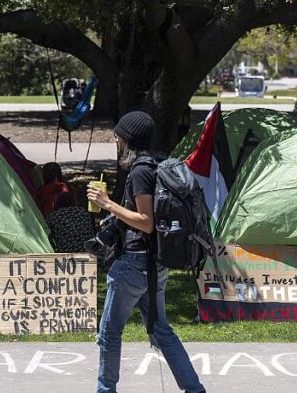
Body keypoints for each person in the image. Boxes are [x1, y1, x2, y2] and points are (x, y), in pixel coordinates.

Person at [86, 111, 205, 393]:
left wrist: (107, 204)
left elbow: (146, 222)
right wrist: (115, 218)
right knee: (161, 331)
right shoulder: (155, 163)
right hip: (154, 263)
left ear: (127, 139)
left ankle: (105, 390)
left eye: (118, 137)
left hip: (134, 264)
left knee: (109, 333)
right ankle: (195, 390)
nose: (116, 141)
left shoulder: (140, 171)